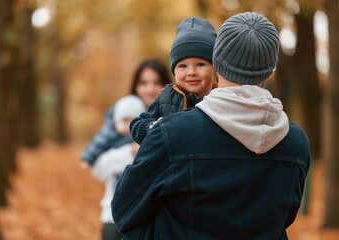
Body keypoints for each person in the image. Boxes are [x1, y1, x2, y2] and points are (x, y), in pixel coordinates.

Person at [112, 12, 310, 240]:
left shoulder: (171, 133)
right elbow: (285, 216)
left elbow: (123, 210)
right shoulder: (296, 142)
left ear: (217, 60)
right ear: (270, 67)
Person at [130, 17, 218, 144]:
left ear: (215, 69)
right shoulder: (167, 98)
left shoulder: (222, 98)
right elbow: (137, 125)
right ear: (174, 71)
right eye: (183, 66)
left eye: (200, 64)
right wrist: (152, 127)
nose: (191, 72)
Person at [81, 59, 171, 167]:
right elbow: (105, 136)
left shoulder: (174, 113)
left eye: (157, 82)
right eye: (143, 83)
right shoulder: (124, 110)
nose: (150, 89)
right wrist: (89, 156)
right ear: (135, 85)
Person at [92, 95, 145, 240]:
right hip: (112, 216)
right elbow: (98, 168)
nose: (128, 126)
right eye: (124, 120)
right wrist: (130, 151)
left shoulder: (148, 137)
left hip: (141, 215)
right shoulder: (110, 139)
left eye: (132, 121)